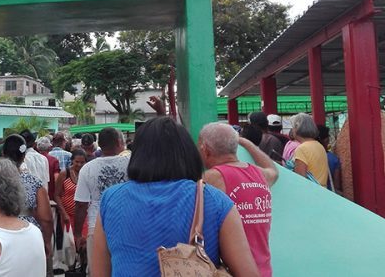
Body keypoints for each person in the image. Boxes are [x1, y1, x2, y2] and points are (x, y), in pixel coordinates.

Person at [92, 117, 259, 276]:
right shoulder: (215, 201)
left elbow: (99, 273)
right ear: (188, 153)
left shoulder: (110, 200)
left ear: (138, 154)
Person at [199, 123, 279, 277]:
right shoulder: (259, 174)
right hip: (263, 271)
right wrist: (246, 143)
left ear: (205, 149)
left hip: (230, 272)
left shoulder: (210, 179)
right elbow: (274, 171)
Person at [73, 127, 129, 268]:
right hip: (126, 225)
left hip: (96, 228)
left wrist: (78, 234)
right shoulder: (131, 163)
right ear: (118, 142)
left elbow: (81, 204)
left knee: (98, 270)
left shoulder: (87, 168)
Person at [54, 149, 88, 237]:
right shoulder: (65, 173)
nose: (79, 165)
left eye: (82, 162)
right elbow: (56, 195)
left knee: (83, 241)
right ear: (72, 160)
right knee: (70, 244)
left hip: (84, 215)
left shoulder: (87, 173)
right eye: (77, 162)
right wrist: (64, 214)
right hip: (67, 215)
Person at [291, 113, 329, 186]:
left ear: (297, 128)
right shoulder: (319, 146)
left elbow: (301, 179)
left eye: (293, 127)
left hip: (310, 193)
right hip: (322, 191)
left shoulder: (301, 149)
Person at [318, 125, 342, 193]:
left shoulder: (310, 154)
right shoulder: (334, 159)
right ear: (326, 140)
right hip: (329, 193)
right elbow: (337, 186)